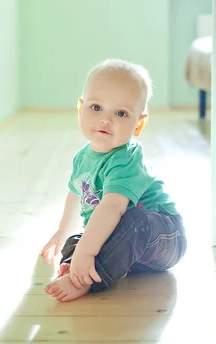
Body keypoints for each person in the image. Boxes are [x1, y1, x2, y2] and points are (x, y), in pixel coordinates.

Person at [40, 59, 187, 302]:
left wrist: (86, 254)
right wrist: (61, 231)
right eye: (96, 107)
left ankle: (86, 280)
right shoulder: (82, 158)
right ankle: (73, 268)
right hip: (126, 244)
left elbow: (112, 207)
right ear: (81, 109)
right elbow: (75, 195)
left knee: (130, 220)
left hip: (162, 239)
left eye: (120, 113)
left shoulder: (127, 159)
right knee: (79, 239)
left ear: (138, 123)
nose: (106, 119)